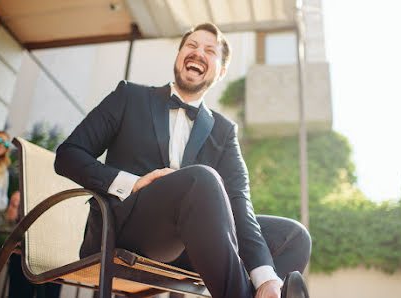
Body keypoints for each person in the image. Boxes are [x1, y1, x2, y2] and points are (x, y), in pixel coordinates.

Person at [55, 23, 311, 298]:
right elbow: (68, 155)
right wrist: (132, 183)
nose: (198, 52)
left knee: (294, 236)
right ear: (179, 56)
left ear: (221, 71)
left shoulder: (223, 131)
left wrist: (266, 279)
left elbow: (239, 201)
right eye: (191, 45)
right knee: (202, 179)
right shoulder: (129, 97)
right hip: (122, 229)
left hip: (188, 247)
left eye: (209, 50)